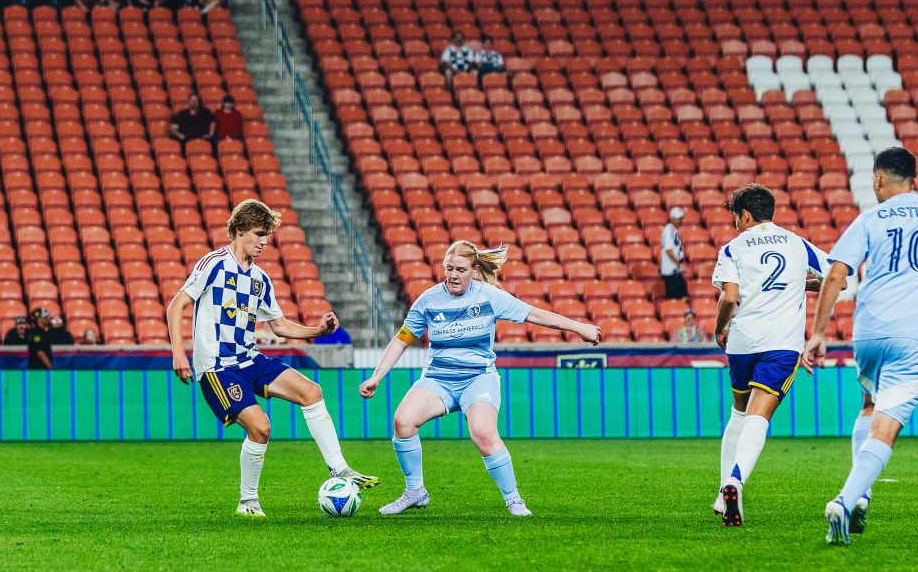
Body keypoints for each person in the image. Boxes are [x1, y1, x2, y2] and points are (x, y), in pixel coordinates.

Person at [804, 146, 918, 545]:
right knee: (887, 427)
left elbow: (836, 274)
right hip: (916, 336)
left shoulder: (870, 218)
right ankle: (845, 500)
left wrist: (817, 333)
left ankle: (861, 495)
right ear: (914, 182)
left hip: (868, 333)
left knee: (869, 405)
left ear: (879, 179)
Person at [166, 199, 378, 517]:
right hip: (218, 367)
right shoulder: (213, 264)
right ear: (239, 231)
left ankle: (339, 469)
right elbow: (176, 305)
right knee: (261, 428)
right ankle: (248, 501)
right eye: (259, 233)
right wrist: (179, 353)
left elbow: (278, 326)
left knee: (312, 392)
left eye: (267, 235)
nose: (264, 241)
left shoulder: (260, 279)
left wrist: (317, 331)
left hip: (250, 359)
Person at [359, 241, 602, 517]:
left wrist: (578, 327)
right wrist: (376, 376)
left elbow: (533, 313)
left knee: (484, 433)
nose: (453, 275)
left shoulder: (489, 296)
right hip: (439, 379)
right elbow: (402, 341)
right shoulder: (428, 300)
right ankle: (415, 492)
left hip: (478, 379)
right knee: (403, 422)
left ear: (474, 271)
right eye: (448, 268)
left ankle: (514, 501)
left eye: (460, 270)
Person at [711, 184, 827, 526]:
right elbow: (837, 276)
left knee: (739, 411)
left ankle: (722, 493)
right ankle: (735, 481)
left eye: (735, 216)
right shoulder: (796, 242)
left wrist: (720, 328)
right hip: (781, 344)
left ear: (745, 215)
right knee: (759, 418)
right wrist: (800, 283)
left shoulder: (732, 248)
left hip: (743, 343)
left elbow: (729, 297)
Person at [660, 206, 688, 299]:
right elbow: (668, 250)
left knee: (684, 297)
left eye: (681, 218)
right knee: (674, 299)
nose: (680, 221)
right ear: (672, 218)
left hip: (676, 271)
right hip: (671, 272)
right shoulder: (669, 230)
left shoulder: (673, 230)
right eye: (678, 218)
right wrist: (679, 265)